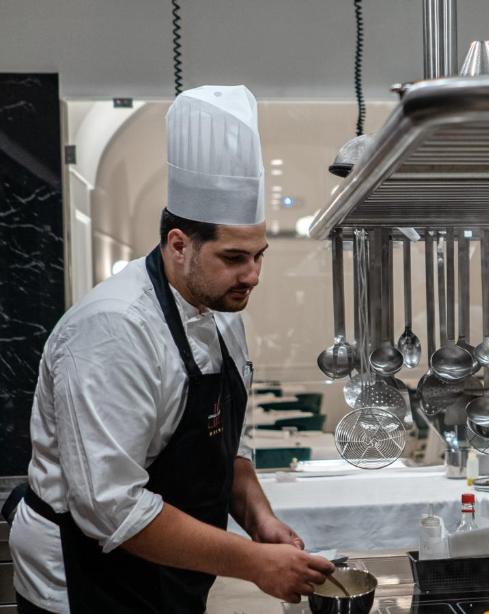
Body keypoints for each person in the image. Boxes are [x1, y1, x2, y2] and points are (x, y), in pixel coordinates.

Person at [4, 85, 335, 614]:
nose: (253, 275)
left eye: (259, 255)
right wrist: (254, 563)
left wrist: (261, 521)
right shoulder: (114, 330)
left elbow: (229, 447)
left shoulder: (222, 312)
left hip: (169, 566)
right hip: (87, 576)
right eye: (234, 258)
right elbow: (111, 510)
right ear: (179, 245)